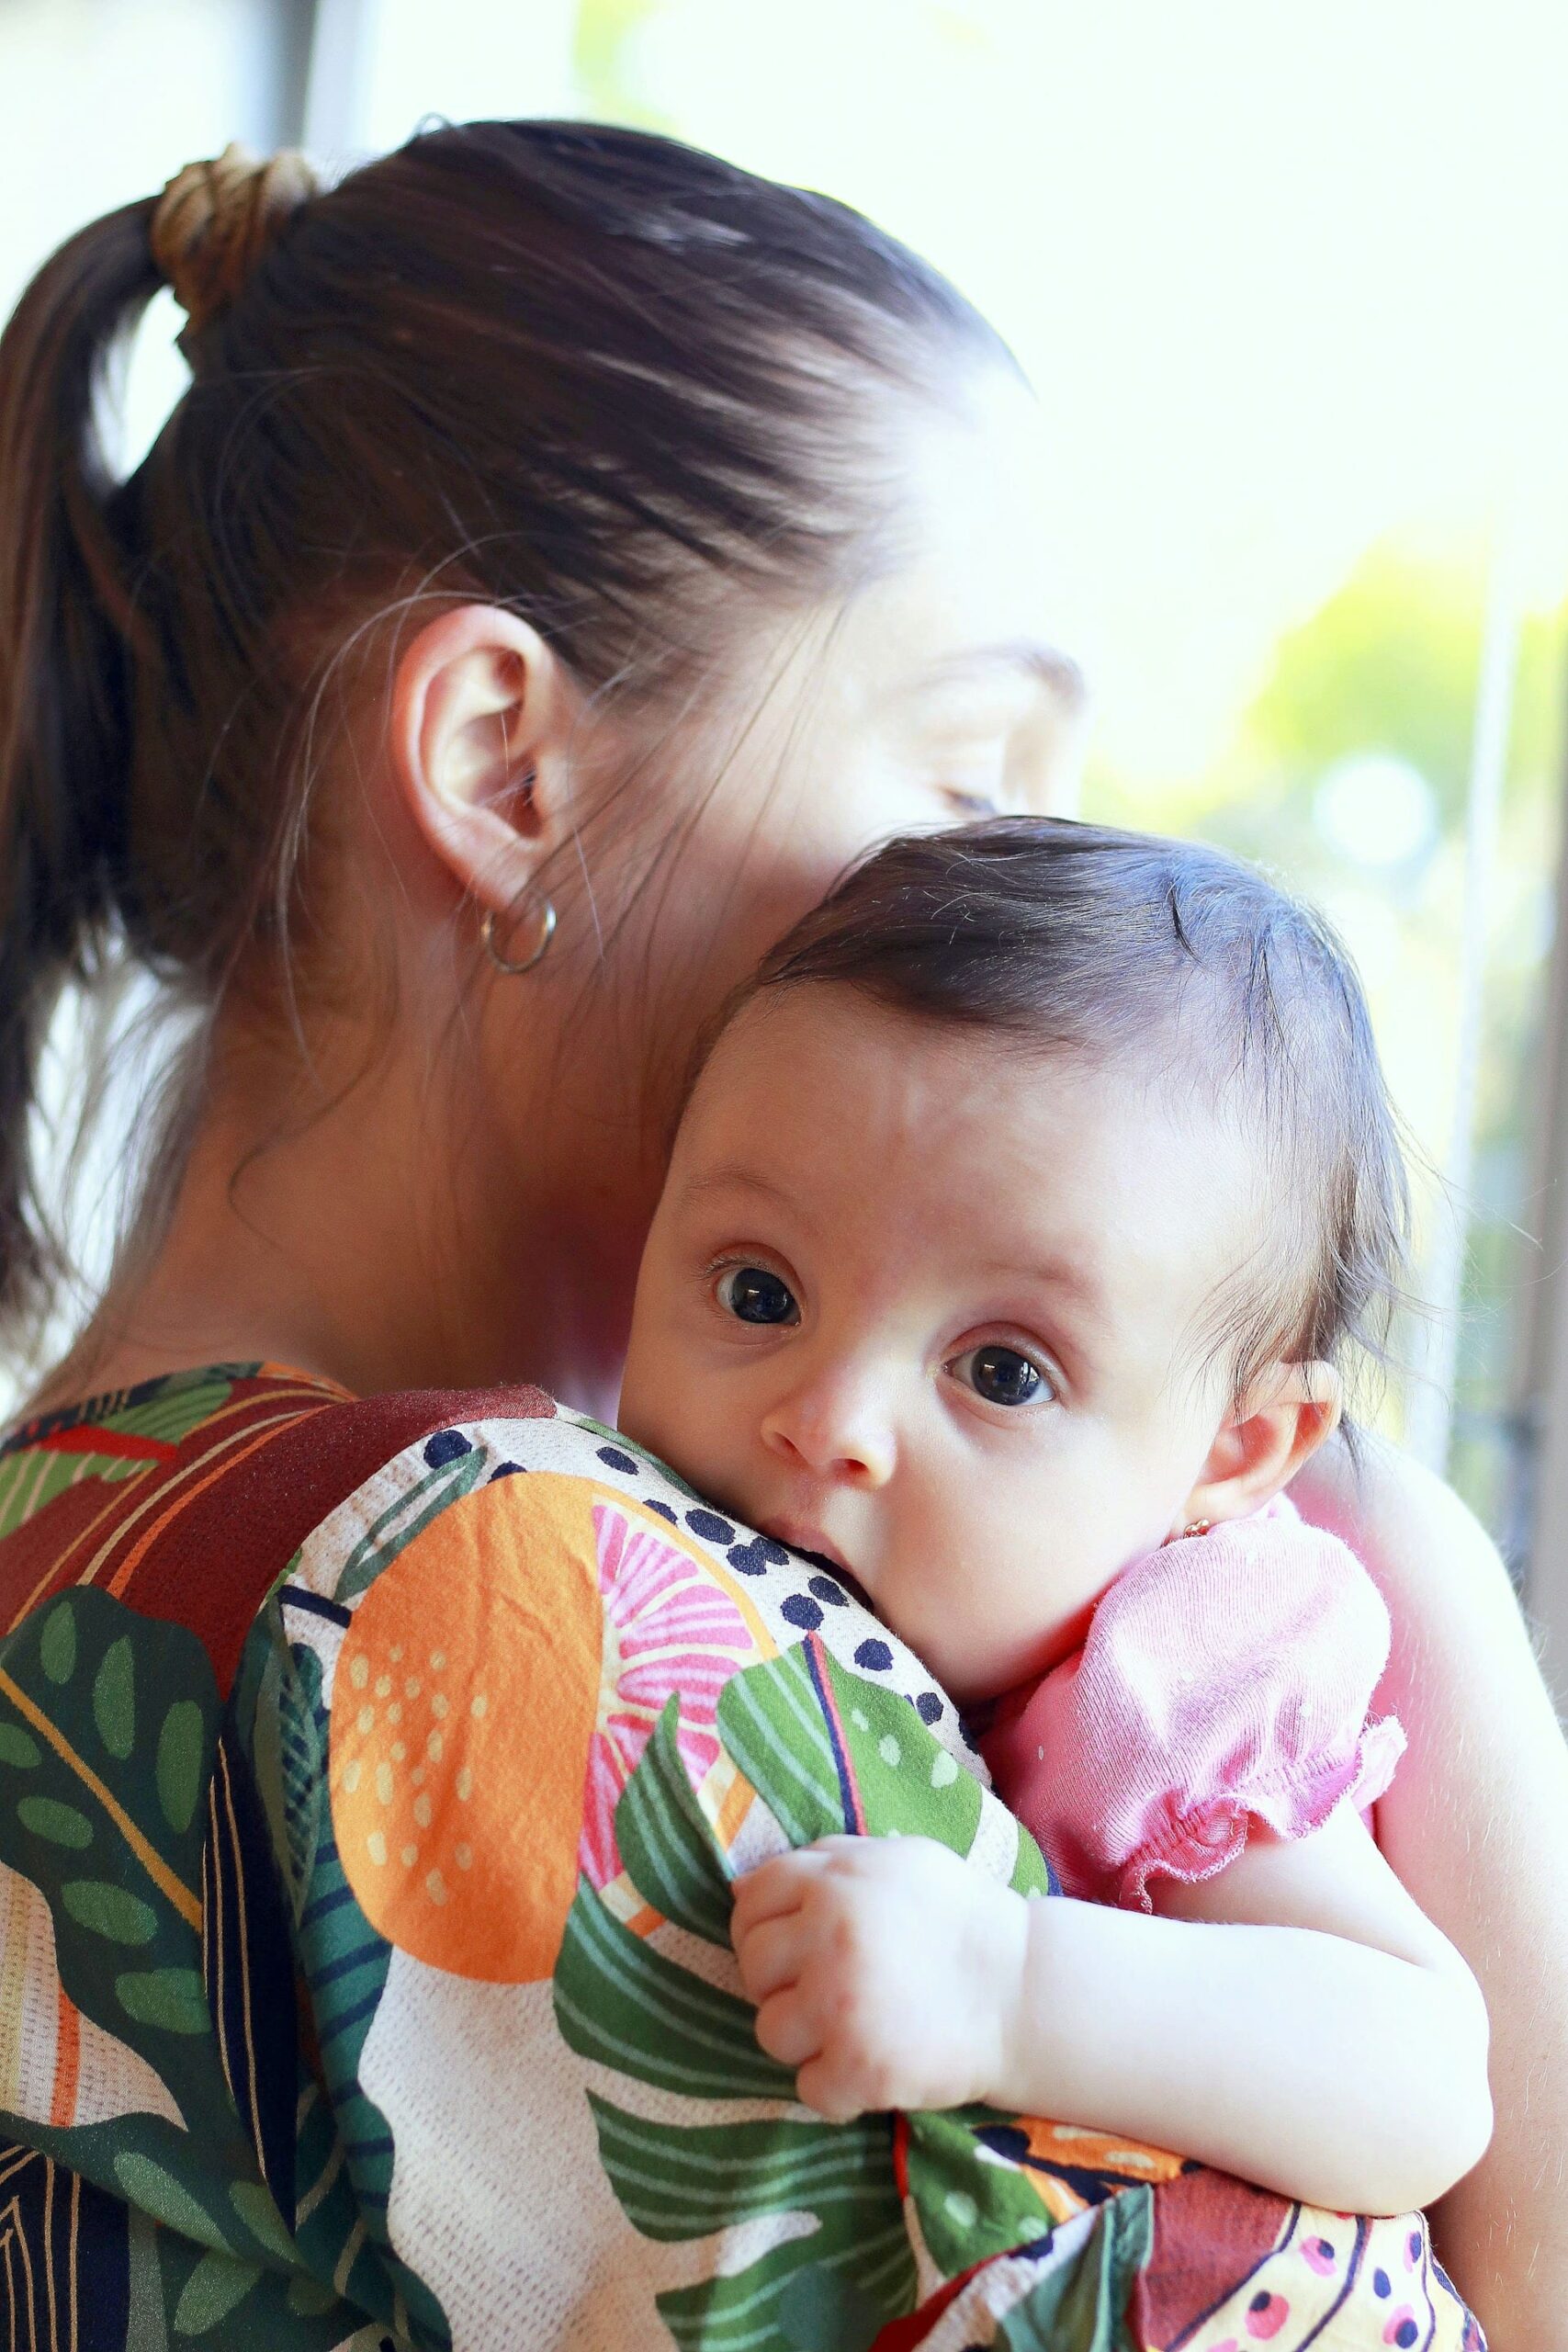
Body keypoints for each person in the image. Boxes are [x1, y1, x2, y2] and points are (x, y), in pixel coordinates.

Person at [0, 120, 1562, 2345]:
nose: (1012, 902)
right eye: (962, 772)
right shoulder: (489, 1605)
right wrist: (1442, 1631)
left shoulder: (85, 1521)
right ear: (500, 765)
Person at [618, 817, 1492, 2215]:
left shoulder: (1168, 1681)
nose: (830, 1419)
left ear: (1238, 1452)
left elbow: (1426, 2080)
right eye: (758, 1293)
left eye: (1002, 1372)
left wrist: (1007, 1985)